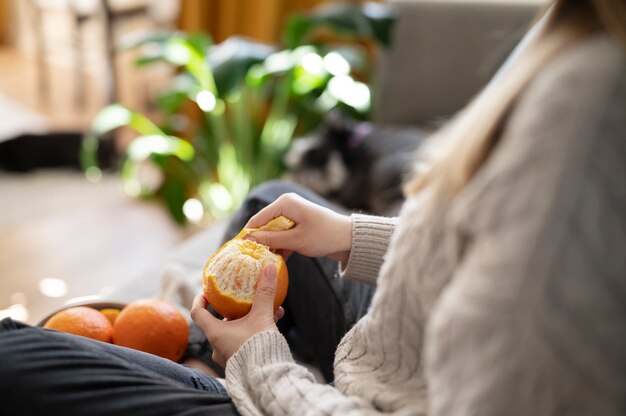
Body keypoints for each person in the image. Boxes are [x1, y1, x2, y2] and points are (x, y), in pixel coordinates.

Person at [1, 0, 624, 414]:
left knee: (13, 355)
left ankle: (218, 365)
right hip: (398, 355)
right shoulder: (581, 36)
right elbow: (485, 245)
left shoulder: (589, 108)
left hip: (376, 398)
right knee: (271, 203)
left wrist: (261, 359)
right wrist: (353, 236)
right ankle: (203, 349)